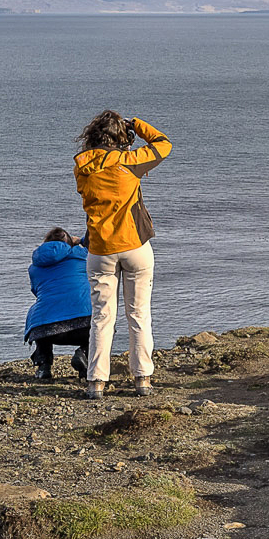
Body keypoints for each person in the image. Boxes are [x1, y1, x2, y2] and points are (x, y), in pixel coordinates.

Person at [74, 111, 172, 400]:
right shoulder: (129, 162)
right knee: (139, 314)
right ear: (121, 137)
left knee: (102, 318)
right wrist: (137, 125)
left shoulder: (82, 167)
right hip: (134, 245)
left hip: (100, 249)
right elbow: (164, 144)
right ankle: (142, 379)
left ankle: (96, 382)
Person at [23, 227, 91, 381]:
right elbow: (93, 240)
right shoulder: (82, 255)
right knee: (104, 325)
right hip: (82, 325)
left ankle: (43, 366)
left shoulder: (35, 267)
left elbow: (36, 291)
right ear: (69, 244)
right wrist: (79, 241)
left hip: (46, 330)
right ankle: (84, 354)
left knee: (40, 312)